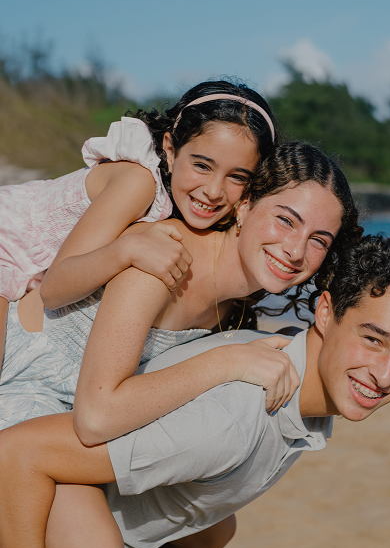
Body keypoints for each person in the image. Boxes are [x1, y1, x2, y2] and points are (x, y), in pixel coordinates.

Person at [0, 235, 390, 548]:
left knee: (219, 525)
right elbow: (18, 451)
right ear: (325, 312)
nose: (384, 375)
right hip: (41, 543)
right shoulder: (232, 419)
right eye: (373, 339)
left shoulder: (290, 381)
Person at [0, 80, 278, 365]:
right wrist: (127, 249)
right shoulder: (139, 182)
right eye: (202, 166)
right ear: (170, 150)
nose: (214, 191)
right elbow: (54, 290)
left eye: (238, 177)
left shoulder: (195, 204)